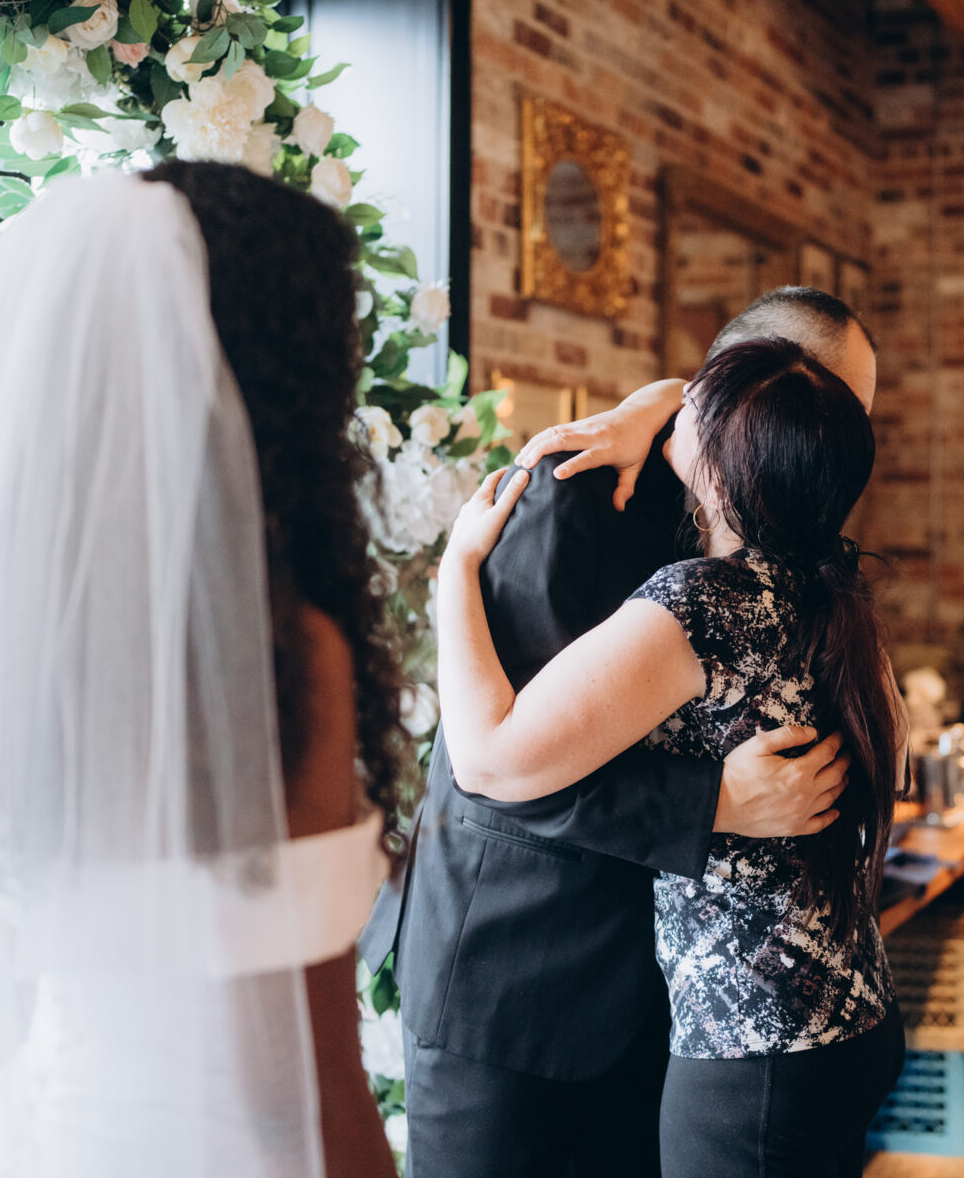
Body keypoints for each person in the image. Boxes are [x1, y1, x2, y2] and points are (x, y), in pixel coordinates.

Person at [0, 167, 398, 1177]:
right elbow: (294, 1088)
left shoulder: (8, 639)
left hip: (44, 1136)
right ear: (284, 380)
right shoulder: (288, 661)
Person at [360, 288, 880, 1178]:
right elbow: (492, 765)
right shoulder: (574, 493)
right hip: (510, 975)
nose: (829, 442)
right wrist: (708, 805)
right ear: (741, 384)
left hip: (664, 999)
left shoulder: (783, 546)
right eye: (822, 405)